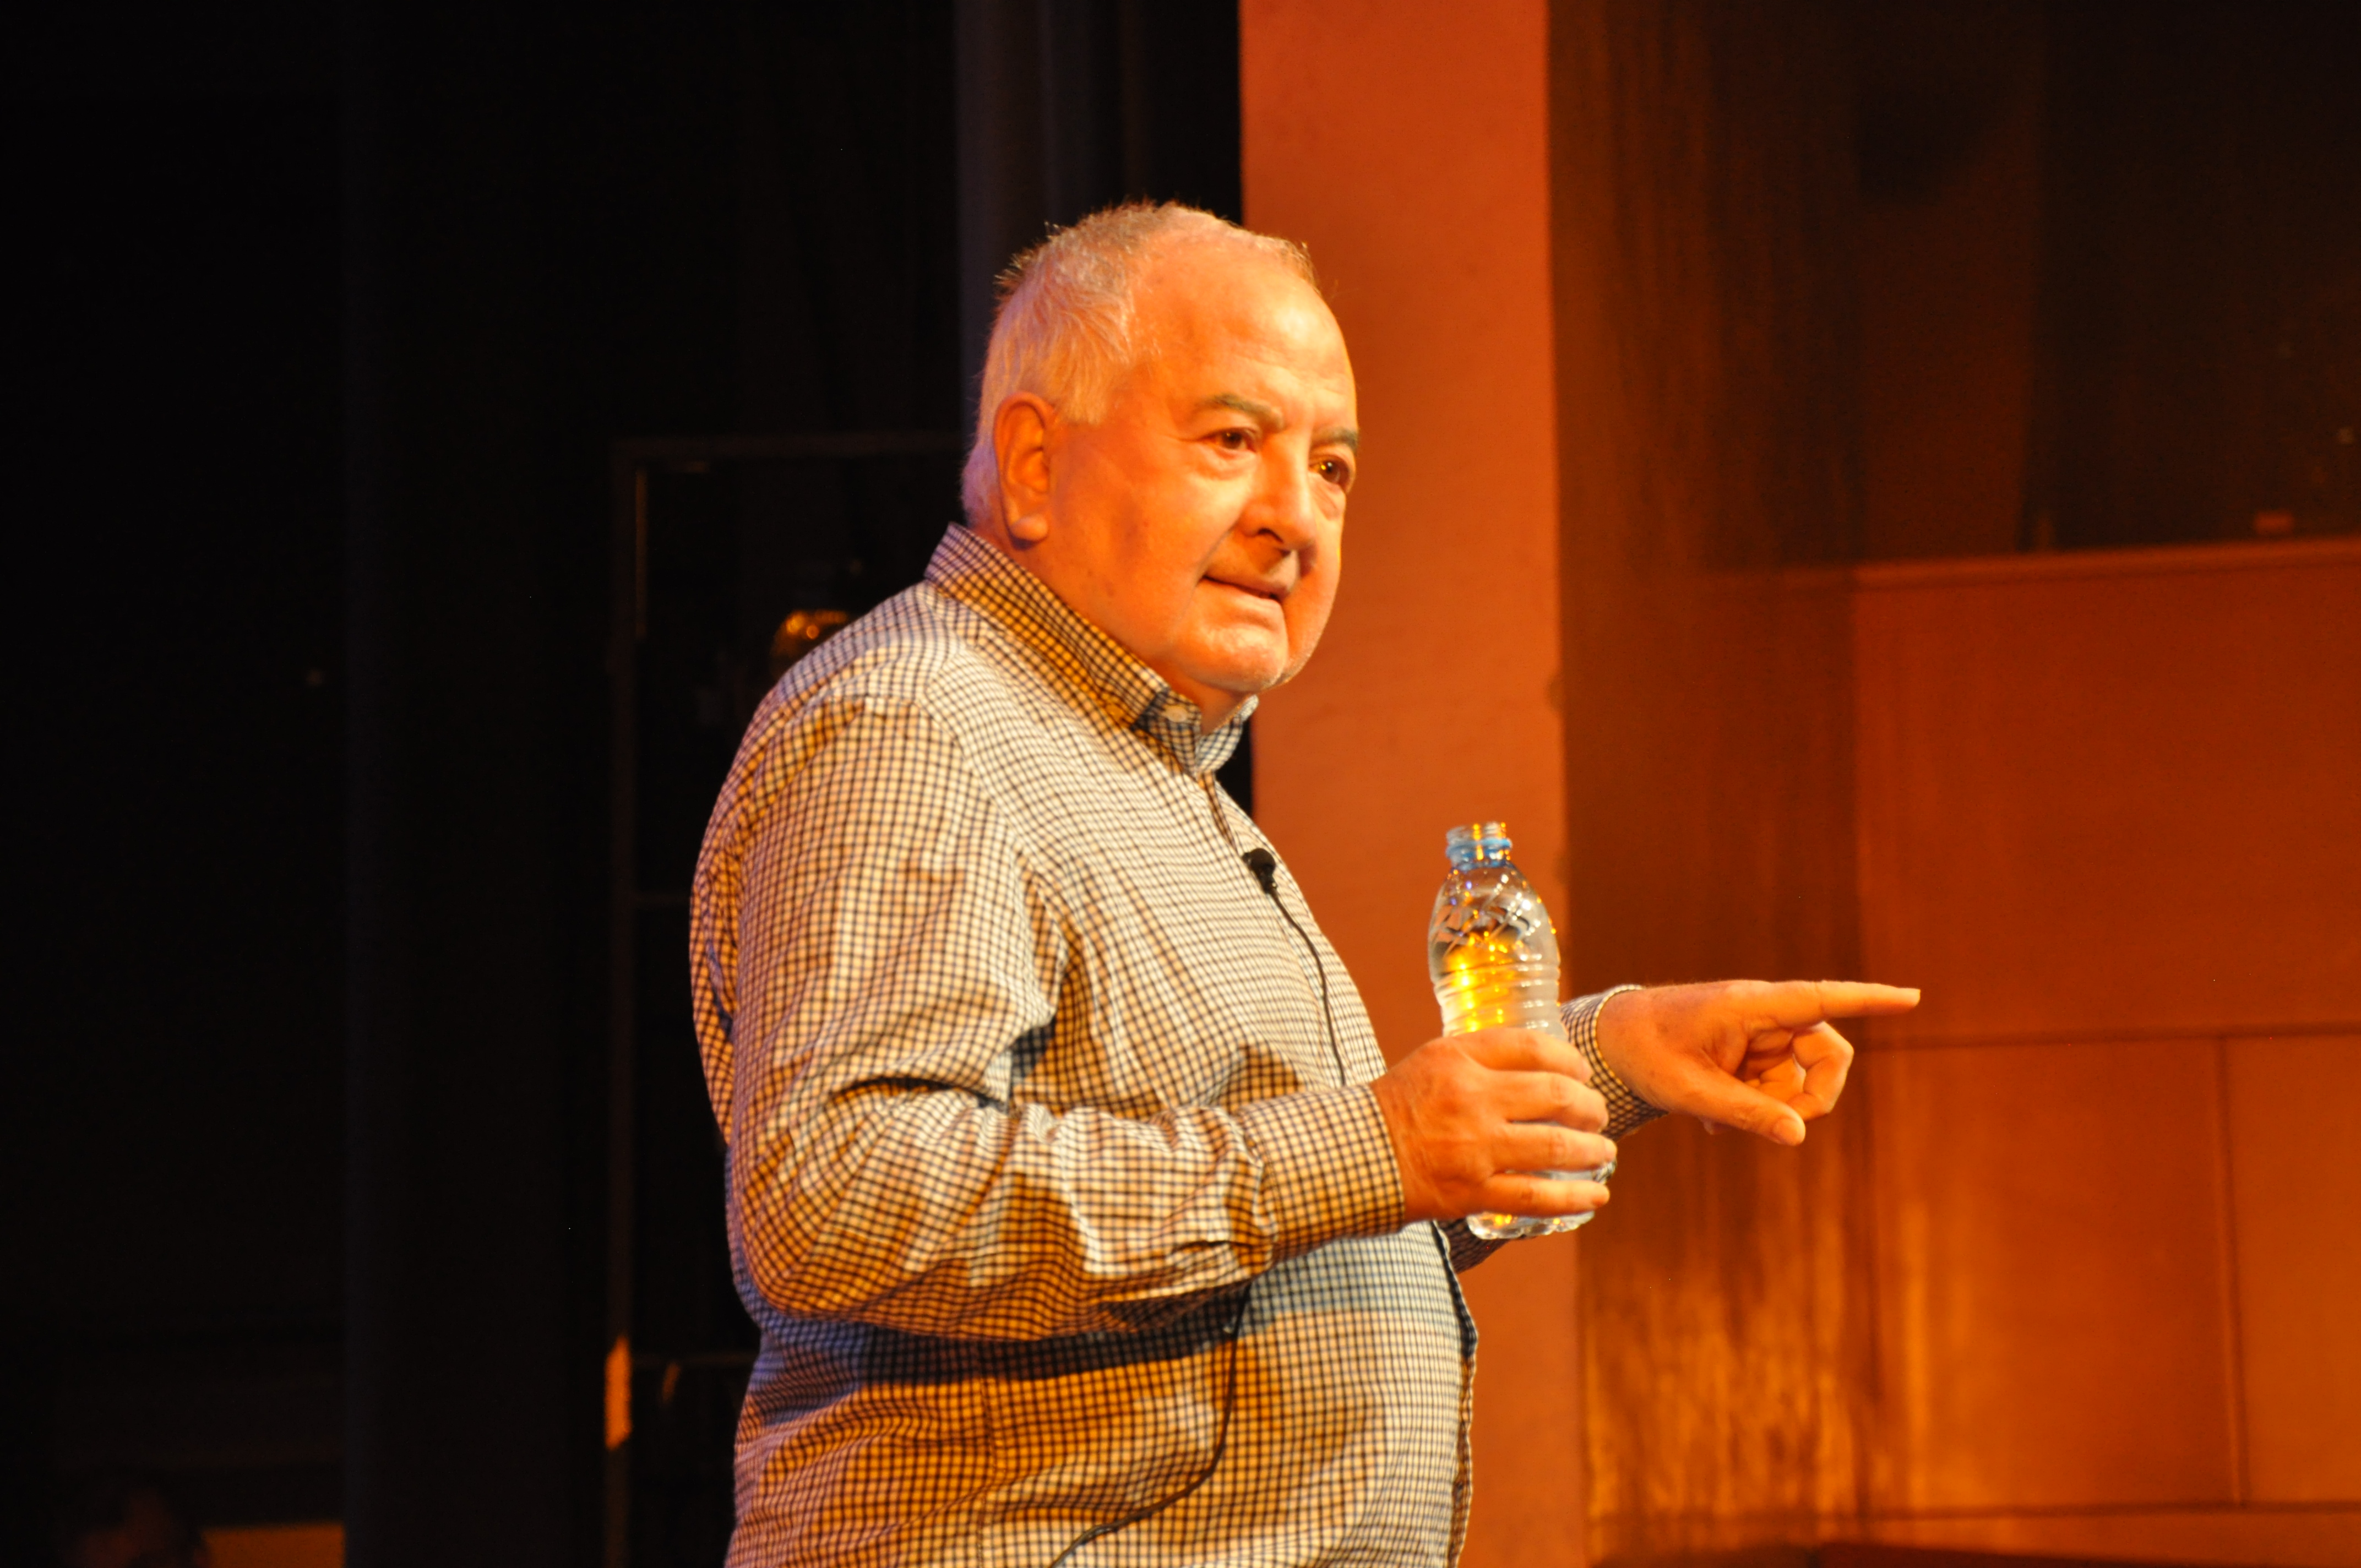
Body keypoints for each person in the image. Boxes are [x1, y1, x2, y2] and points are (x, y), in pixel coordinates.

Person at [689, 202, 1917, 1566]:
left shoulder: (1137, 769)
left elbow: (1270, 1241)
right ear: (1035, 466)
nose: (1295, 518)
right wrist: (1376, 1146)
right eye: (1231, 440)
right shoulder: (922, 726)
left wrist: (1605, 1056)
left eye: (1331, 467)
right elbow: (835, 1197)